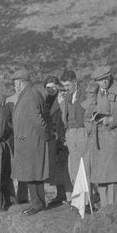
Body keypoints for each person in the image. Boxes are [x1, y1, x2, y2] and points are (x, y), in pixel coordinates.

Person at [10, 68, 51, 215]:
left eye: (15, 83)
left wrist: (45, 136)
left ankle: (37, 203)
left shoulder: (30, 96)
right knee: (31, 174)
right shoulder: (29, 94)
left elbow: (38, 121)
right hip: (29, 141)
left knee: (33, 174)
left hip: (31, 142)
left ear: (21, 83)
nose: (15, 86)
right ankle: (37, 202)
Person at [87, 66, 117, 209]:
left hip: (114, 138)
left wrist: (112, 120)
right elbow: (86, 116)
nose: (103, 82)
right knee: (100, 176)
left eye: (105, 78)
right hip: (97, 140)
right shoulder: (93, 94)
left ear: (110, 77)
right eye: (100, 80)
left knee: (114, 176)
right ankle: (104, 208)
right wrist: (89, 128)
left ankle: (114, 207)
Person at [43, 76, 70, 207]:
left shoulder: (63, 98)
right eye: (48, 87)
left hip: (62, 134)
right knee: (57, 166)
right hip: (53, 136)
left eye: (53, 87)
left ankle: (68, 195)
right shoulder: (47, 100)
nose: (50, 90)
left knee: (65, 166)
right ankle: (60, 194)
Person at [60, 69, 88, 188]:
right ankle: (79, 200)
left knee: (84, 166)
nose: (66, 88)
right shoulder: (67, 96)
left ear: (75, 82)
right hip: (70, 133)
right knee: (73, 167)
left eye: (68, 85)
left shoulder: (85, 94)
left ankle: (88, 200)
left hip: (82, 131)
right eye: (64, 86)